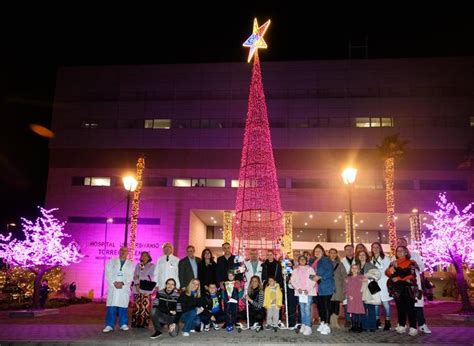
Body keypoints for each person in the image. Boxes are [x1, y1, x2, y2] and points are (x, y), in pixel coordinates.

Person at [396, 237, 431, 334]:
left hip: (413, 285)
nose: (401, 243)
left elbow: (422, 268)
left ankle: (422, 325)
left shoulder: (414, 255)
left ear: (406, 243)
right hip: (401, 287)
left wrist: (415, 265)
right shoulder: (394, 257)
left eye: (403, 241)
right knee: (402, 307)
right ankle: (402, 324)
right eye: (399, 242)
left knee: (417, 306)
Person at [385, 245, 419, 336]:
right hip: (397, 289)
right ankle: (402, 325)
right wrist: (390, 270)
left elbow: (412, 275)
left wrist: (399, 277)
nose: (399, 252)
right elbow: (388, 273)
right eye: (398, 251)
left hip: (408, 289)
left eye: (401, 250)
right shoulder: (393, 263)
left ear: (406, 252)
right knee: (400, 308)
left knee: (410, 308)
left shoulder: (411, 262)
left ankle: (413, 327)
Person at [103, 246, 135, 333]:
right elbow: (107, 274)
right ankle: (109, 325)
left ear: (128, 252)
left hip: (124, 288)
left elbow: (131, 276)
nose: (123, 252)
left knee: (123, 306)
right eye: (122, 250)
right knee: (111, 306)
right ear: (119, 251)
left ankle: (123, 324)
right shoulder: (111, 261)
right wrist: (114, 282)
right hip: (113, 287)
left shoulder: (131, 264)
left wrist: (122, 283)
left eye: (125, 251)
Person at [310, 244, 335, 335]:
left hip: (326, 286)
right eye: (315, 251)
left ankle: (327, 325)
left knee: (326, 306)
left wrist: (320, 277)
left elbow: (330, 271)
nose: (317, 253)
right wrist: (313, 277)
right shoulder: (312, 261)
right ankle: (323, 323)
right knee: (320, 307)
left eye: (319, 251)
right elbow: (309, 272)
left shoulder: (326, 260)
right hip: (317, 288)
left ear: (322, 252)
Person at [290, 255, 317, 336]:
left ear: (306, 261)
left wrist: (307, 289)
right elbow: (292, 280)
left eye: (303, 259)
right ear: (298, 261)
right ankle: (304, 324)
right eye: (300, 259)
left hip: (308, 292)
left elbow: (313, 280)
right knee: (302, 309)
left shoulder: (310, 269)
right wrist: (298, 288)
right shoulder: (296, 270)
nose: (302, 260)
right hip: (300, 292)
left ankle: (308, 326)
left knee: (307, 308)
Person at [356, 249, 381, 332]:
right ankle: (364, 326)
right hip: (359, 289)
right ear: (358, 257)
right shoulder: (356, 266)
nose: (362, 257)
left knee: (371, 308)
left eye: (363, 255)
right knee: (362, 308)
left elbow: (377, 275)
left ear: (366, 256)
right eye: (360, 255)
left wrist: (368, 277)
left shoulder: (370, 265)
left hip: (368, 289)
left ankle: (372, 326)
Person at [370, 242, 393, 330]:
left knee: (386, 303)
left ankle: (388, 322)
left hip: (383, 283)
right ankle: (377, 321)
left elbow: (388, 271)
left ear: (380, 248)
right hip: (373, 283)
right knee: (376, 303)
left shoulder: (386, 258)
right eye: (374, 247)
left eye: (377, 247)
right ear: (371, 249)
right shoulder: (370, 259)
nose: (375, 249)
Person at [131, 251, 155, 328]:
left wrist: (140, 277)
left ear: (149, 257)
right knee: (137, 306)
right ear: (141, 257)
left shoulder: (152, 265)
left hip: (146, 289)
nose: (144, 257)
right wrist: (137, 284)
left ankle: (144, 323)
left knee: (145, 307)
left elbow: (151, 277)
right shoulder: (138, 265)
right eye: (143, 256)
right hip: (137, 288)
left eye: (146, 256)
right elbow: (135, 276)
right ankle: (136, 323)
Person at [345, 263, 365, 333]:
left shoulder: (361, 277)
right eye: (352, 268)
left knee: (358, 312)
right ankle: (353, 326)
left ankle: (359, 326)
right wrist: (348, 295)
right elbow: (346, 288)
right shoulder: (348, 278)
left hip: (359, 297)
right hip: (351, 298)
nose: (354, 269)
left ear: (358, 270)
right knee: (352, 312)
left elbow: (364, 287)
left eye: (356, 268)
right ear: (350, 269)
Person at [329, 248, 346, 329]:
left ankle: (335, 322)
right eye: (331, 253)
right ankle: (331, 322)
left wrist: (344, 287)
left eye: (334, 253)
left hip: (338, 287)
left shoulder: (340, 264)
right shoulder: (326, 263)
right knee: (329, 304)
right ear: (329, 254)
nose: (332, 254)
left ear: (336, 254)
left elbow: (344, 276)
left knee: (336, 304)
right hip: (328, 287)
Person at [340, 244, 354, 328]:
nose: (349, 251)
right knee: (346, 303)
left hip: (356, 284)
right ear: (345, 251)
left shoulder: (357, 260)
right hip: (346, 284)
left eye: (350, 249)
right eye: (347, 249)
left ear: (353, 250)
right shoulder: (342, 261)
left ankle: (355, 320)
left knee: (355, 302)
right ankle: (348, 320)